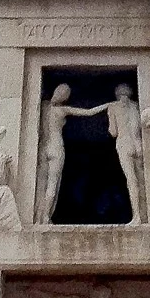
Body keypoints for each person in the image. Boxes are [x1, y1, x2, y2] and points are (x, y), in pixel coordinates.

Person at [35, 84, 108, 224]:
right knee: (52, 183)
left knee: (40, 184)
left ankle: (38, 218)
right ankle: (45, 218)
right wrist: (109, 104)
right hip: (56, 147)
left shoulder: (43, 106)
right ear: (65, 97)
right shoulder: (63, 110)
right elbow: (90, 112)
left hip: (43, 147)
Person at [101, 84, 145, 224]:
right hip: (137, 144)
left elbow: (113, 131)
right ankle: (145, 215)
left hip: (124, 143)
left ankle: (137, 216)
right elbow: (137, 126)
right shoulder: (135, 106)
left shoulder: (113, 107)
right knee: (142, 180)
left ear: (116, 94)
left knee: (131, 181)